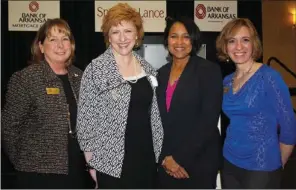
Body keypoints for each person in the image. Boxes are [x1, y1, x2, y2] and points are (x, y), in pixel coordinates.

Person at [76, 3, 163, 189]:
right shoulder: (96, 70)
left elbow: (154, 117)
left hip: (146, 157)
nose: (122, 38)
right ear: (108, 36)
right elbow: (85, 122)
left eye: (128, 31)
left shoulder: (148, 69)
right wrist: (91, 164)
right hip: (111, 164)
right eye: (115, 32)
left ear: (137, 34)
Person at [1, 18, 93, 189]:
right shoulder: (26, 78)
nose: (60, 45)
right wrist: (24, 163)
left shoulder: (80, 77)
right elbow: (8, 127)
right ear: (41, 46)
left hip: (77, 172)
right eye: (53, 39)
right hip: (38, 175)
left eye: (65, 39)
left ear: (71, 45)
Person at [216, 18, 296, 189]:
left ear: (254, 44)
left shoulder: (269, 77)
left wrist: (276, 164)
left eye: (245, 40)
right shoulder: (227, 81)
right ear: (225, 46)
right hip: (229, 161)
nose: (239, 47)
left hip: (262, 167)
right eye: (232, 41)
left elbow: (289, 128)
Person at [156, 16, 223, 189]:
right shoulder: (159, 74)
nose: (179, 42)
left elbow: (208, 122)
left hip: (198, 162)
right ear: (166, 40)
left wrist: (178, 158)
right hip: (166, 164)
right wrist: (165, 158)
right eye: (173, 36)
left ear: (193, 40)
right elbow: (155, 121)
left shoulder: (209, 71)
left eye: (186, 36)